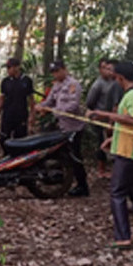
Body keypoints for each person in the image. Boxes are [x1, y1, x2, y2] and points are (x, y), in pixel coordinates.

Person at [87, 61, 133, 248]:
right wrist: (113, 139)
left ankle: (123, 237)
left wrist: (106, 115)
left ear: (120, 78)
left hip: (131, 153)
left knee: (117, 193)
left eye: (116, 77)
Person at [36, 60, 88, 197]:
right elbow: (50, 100)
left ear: (64, 69)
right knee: (62, 155)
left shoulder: (73, 85)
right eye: (53, 72)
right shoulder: (57, 85)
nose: (55, 74)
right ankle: (64, 182)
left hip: (74, 128)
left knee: (75, 156)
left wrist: (53, 110)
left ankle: (83, 186)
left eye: (57, 71)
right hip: (62, 126)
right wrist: (41, 105)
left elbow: (73, 105)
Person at [85, 58, 122, 178]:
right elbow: (90, 102)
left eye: (110, 68)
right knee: (102, 143)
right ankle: (101, 169)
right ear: (100, 70)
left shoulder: (116, 83)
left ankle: (113, 169)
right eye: (105, 68)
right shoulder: (98, 84)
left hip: (113, 119)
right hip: (101, 120)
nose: (108, 71)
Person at [0, 58, 35, 144]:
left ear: (17, 67)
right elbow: (1, 99)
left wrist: (32, 116)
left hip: (21, 115)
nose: (8, 70)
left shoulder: (26, 81)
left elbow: (31, 100)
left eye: (10, 67)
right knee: (4, 138)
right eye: (7, 68)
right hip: (7, 115)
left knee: (20, 139)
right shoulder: (5, 82)